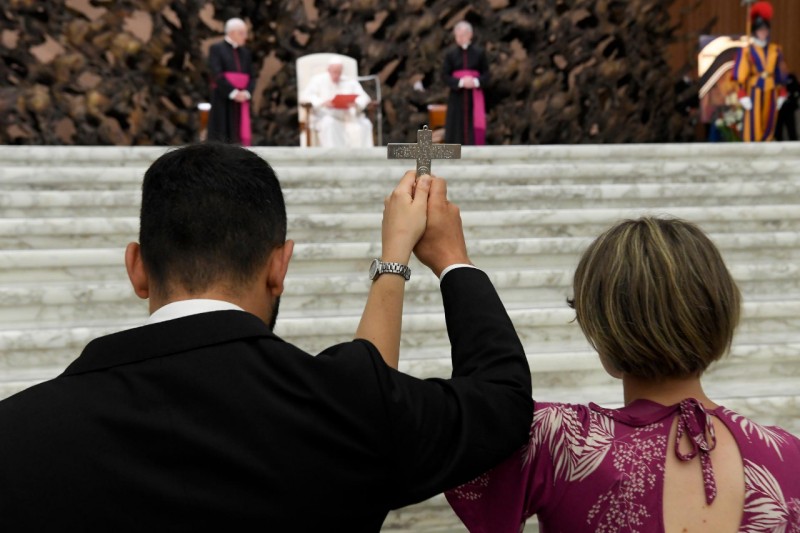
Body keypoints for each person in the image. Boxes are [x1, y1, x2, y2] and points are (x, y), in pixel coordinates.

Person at [0, 142, 532, 531]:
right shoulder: (345, 409)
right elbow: (503, 400)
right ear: (280, 267)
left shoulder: (19, 434)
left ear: (136, 268)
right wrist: (452, 261)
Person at [445, 217, 800, 532]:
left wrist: (452, 262)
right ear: (721, 310)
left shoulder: (559, 439)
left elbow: (472, 414)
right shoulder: (790, 456)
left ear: (604, 328)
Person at [732, 1, 788, 142]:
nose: (763, 33)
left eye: (765, 30)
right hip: (754, 89)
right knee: (753, 124)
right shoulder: (747, 50)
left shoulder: (775, 50)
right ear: (755, 31)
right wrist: (741, 94)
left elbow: (780, 72)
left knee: (769, 122)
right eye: (760, 30)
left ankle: (767, 142)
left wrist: (782, 92)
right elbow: (739, 74)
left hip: (771, 89)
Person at [300, 58, 373, 147]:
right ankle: (334, 155)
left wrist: (356, 103)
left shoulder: (350, 81)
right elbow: (305, 96)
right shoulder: (318, 80)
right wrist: (322, 102)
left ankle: (363, 155)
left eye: (339, 72)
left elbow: (364, 97)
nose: (337, 75)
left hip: (348, 118)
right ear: (328, 70)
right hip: (326, 116)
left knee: (365, 124)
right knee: (329, 124)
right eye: (334, 72)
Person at [207, 18, 255, 145]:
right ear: (232, 33)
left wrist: (246, 93)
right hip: (223, 97)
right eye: (242, 33)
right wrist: (233, 93)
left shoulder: (245, 53)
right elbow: (216, 74)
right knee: (222, 134)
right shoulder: (216, 49)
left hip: (242, 99)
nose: (245, 37)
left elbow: (251, 77)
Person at [442, 21, 489, 145]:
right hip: (456, 97)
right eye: (457, 36)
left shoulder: (479, 53)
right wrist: (461, 82)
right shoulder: (450, 54)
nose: (460, 38)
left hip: (474, 97)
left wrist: (475, 81)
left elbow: (487, 74)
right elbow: (444, 75)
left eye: (462, 35)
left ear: (470, 35)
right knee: (456, 128)